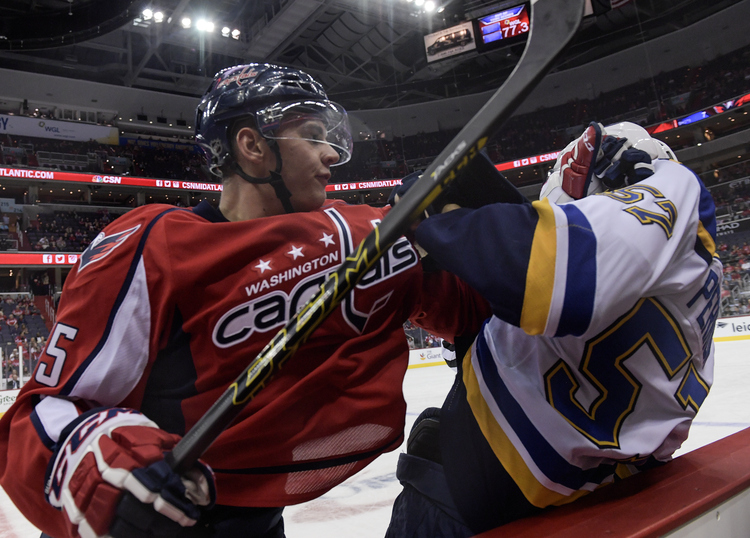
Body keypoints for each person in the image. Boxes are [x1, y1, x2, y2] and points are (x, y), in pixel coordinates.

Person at [0, 63, 490, 538]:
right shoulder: (153, 243)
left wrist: (486, 237)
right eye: (314, 135)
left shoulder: (358, 232)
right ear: (253, 145)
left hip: (258, 522)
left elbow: (472, 310)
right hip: (149, 518)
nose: (333, 155)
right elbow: (44, 413)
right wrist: (107, 472)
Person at [386, 122, 721, 536]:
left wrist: (434, 218)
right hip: (567, 498)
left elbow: (532, 269)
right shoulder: (684, 271)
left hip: (470, 499)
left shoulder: (673, 188)